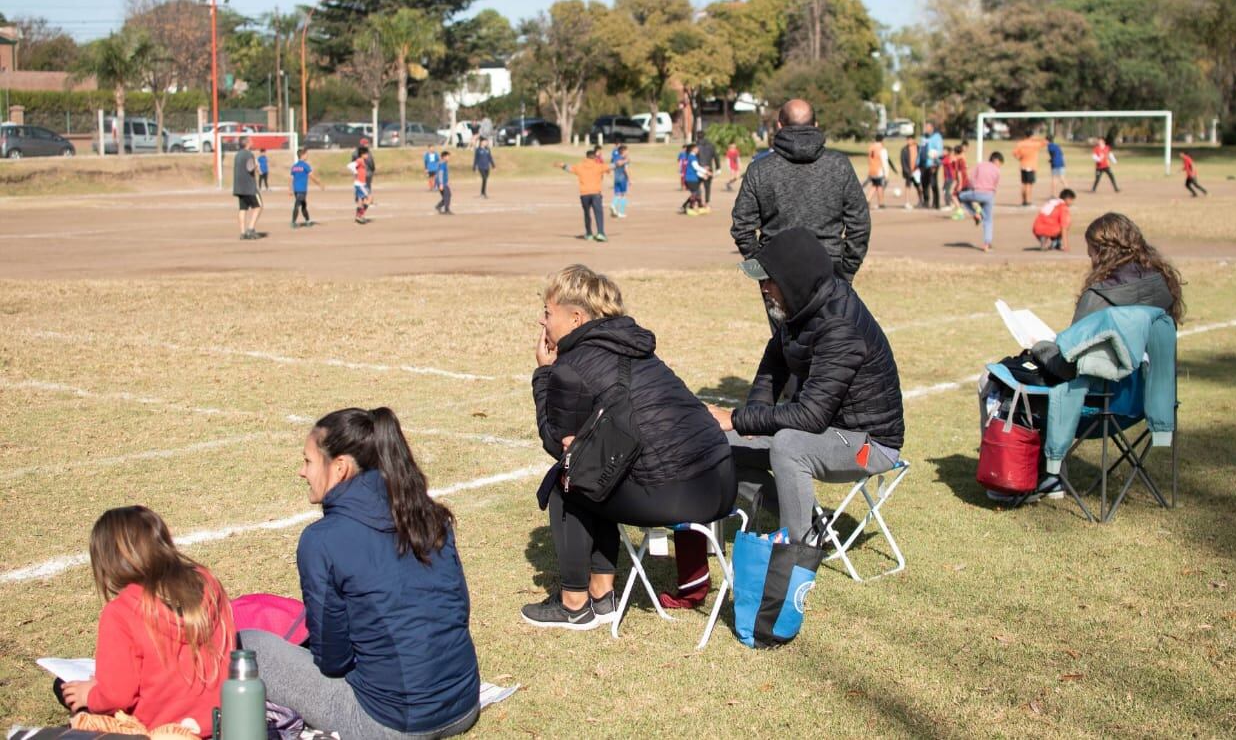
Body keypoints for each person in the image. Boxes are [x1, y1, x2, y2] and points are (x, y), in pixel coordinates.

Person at [242, 408, 480, 738]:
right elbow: (457, 610)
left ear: (340, 467)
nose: (302, 472)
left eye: (309, 461)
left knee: (250, 647)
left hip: (391, 723)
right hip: (464, 703)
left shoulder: (322, 540)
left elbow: (333, 661)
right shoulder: (430, 515)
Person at [525, 265, 736, 625]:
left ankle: (575, 605)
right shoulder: (634, 346)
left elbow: (554, 442)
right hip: (722, 480)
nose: (542, 323)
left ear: (576, 317)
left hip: (680, 494)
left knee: (568, 480)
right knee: (594, 465)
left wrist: (543, 373)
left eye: (547, 313)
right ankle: (602, 597)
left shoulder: (571, 366)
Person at [703, 228, 904, 542]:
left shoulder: (839, 326)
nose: (764, 288)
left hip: (869, 445)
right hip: (827, 429)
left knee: (788, 447)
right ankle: (813, 523)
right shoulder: (803, 305)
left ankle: (799, 549)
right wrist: (753, 417)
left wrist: (737, 417)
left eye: (770, 280)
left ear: (793, 280)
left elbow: (810, 417)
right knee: (721, 443)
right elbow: (774, 361)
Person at [983, 213, 1185, 503]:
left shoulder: (1100, 296)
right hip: (1144, 401)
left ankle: (1022, 477)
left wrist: (1039, 346)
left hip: (1096, 406)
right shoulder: (1161, 286)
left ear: (1102, 251)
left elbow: (1067, 365)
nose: (1088, 255)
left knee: (999, 383)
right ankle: (1047, 476)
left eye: (1090, 249)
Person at [57, 506, 235, 737]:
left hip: (158, 729)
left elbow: (117, 696)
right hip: (221, 723)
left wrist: (89, 695)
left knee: (62, 689)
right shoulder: (207, 582)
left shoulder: (121, 612)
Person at [731, 98, 871, 282]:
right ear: (816, 125)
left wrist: (846, 269)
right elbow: (860, 223)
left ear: (780, 125)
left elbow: (742, 226)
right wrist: (847, 269)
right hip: (820, 269)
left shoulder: (759, 168)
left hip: (789, 270)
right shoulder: (840, 165)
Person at [557, 149, 609, 241]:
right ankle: (600, 233)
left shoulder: (580, 166)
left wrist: (562, 165)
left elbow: (569, 168)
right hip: (596, 193)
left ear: (586, 157)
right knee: (598, 213)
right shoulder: (598, 166)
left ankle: (589, 234)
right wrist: (622, 162)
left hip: (584, 194)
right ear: (595, 157)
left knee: (587, 213)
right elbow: (612, 166)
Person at [958, 151, 1002, 252]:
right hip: (989, 195)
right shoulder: (997, 170)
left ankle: (975, 213)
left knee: (961, 196)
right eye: (999, 163)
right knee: (988, 220)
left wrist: (973, 189)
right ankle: (987, 244)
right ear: (996, 160)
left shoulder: (980, 165)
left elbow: (972, 179)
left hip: (976, 193)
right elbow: (995, 184)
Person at [232, 136, 264, 241]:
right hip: (249, 186)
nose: (252, 142)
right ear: (247, 143)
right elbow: (250, 167)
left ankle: (242, 232)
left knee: (243, 209)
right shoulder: (249, 154)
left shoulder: (237, 155)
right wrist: (256, 165)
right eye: (250, 141)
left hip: (239, 186)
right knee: (259, 206)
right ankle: (250, 229)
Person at [290, 147, 323, 228]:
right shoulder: (305, 166)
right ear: (302, 156)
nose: (307, 156)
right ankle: (293, 222)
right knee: (297, 205)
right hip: (302, 189)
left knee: (303, 205)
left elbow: (290, 179)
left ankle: (308, 221)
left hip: (296, 189)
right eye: (306, 155)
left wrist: (290, 189)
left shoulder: (294, 166)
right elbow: (311, 176)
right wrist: (319, 183)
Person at [1013, 129, 1048, 206]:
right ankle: (1028, 201)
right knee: (1029, 185)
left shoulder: (1020, 143)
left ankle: (1023, 200)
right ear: (1031, 135)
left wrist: (1019, 158)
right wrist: (1035, 138)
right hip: (1031, 166)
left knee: (1024, 184)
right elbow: (1046, 141)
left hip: (1023, 165)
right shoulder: (1035, 144)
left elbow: (1015, 153)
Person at [918, 122, 943, 209]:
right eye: (925, 127)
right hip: (923, 164)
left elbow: (939, 151)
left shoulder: (937, 137)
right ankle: (926, 201)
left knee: (933, 183)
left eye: (928, 127)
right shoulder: (923, 137)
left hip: (933, 164)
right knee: (924, 183)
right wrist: (918, 162)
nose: (926, 129)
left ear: (932, 128)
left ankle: (936, 203)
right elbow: (920, 150)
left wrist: (935, 158)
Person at [680, 143, 710, 215]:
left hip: (693, 178)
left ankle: (695, 206)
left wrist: (703, 175)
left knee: (697, 193)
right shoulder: (692, 157)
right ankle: (690, 207)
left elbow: (695, 169)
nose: (698, 149)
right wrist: (706, 172)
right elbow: (696, 167)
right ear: (693, 149)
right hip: (691, 179)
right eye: (696, 148)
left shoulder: (692, 156)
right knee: (695, 193)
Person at [863, 136, 890, 209]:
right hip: (879, 171)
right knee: (880, 186)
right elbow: (884, 162)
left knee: (874, 185)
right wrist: (886, 173)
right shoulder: (882, 149)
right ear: (882, 140)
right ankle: (881, 203)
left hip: (872, 170)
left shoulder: (871, 147)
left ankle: (867, 200)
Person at [695, 130, 719, 209]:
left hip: (698, 169)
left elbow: (693, 158)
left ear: (697, 136)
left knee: (697, 187)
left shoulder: (695, 145)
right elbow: (716, 157)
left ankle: (699, 202)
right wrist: (718, 168)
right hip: (709, 169)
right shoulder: (711, 145)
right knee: (707, 187)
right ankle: (707, 203)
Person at [349, 145, 371, 224]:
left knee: (361, 201)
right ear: (362, 154)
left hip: (361, 183)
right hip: (360, 184)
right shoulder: (360, 160)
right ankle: (360, 215)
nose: (367, 155)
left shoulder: (362, 161)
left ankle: (358, 216)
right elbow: (350, 165)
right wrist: (355, 172)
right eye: (366, 154)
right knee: (369, 199)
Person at [610, 143, 631, 219]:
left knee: (617, 194)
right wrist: (629, 179)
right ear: (623, 151)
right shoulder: (625, 159)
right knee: (623, 195)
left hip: (616, 178)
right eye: (627, 151)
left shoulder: (616, 157)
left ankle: (613, 205)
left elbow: (614, 165)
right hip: (622, 178)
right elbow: (625, 170)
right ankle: (621, 212)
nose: (628, 152)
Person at [899, 135, 919, 204]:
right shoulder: (904, 149)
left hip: (917, 171)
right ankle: (907, 201)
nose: (908, 141)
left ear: (914, 140)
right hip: (908, 171)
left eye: (910, 140)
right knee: (908, 185)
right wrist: (906, 170)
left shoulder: (919, 148)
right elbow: (902, 161)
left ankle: (921, 200)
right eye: (907, 140)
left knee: (918, 186)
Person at [436, 150, 453, 215]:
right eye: (448, 156)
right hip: (442, 183)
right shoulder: (442, 164)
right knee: (447, 195)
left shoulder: (444, 163)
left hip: (444, 183)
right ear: (444, 157)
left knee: (447, 196)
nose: (449, 158)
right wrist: (441, 184)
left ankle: (439, 206)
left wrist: (447, 181)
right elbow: (440, 174)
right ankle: (446, 209)